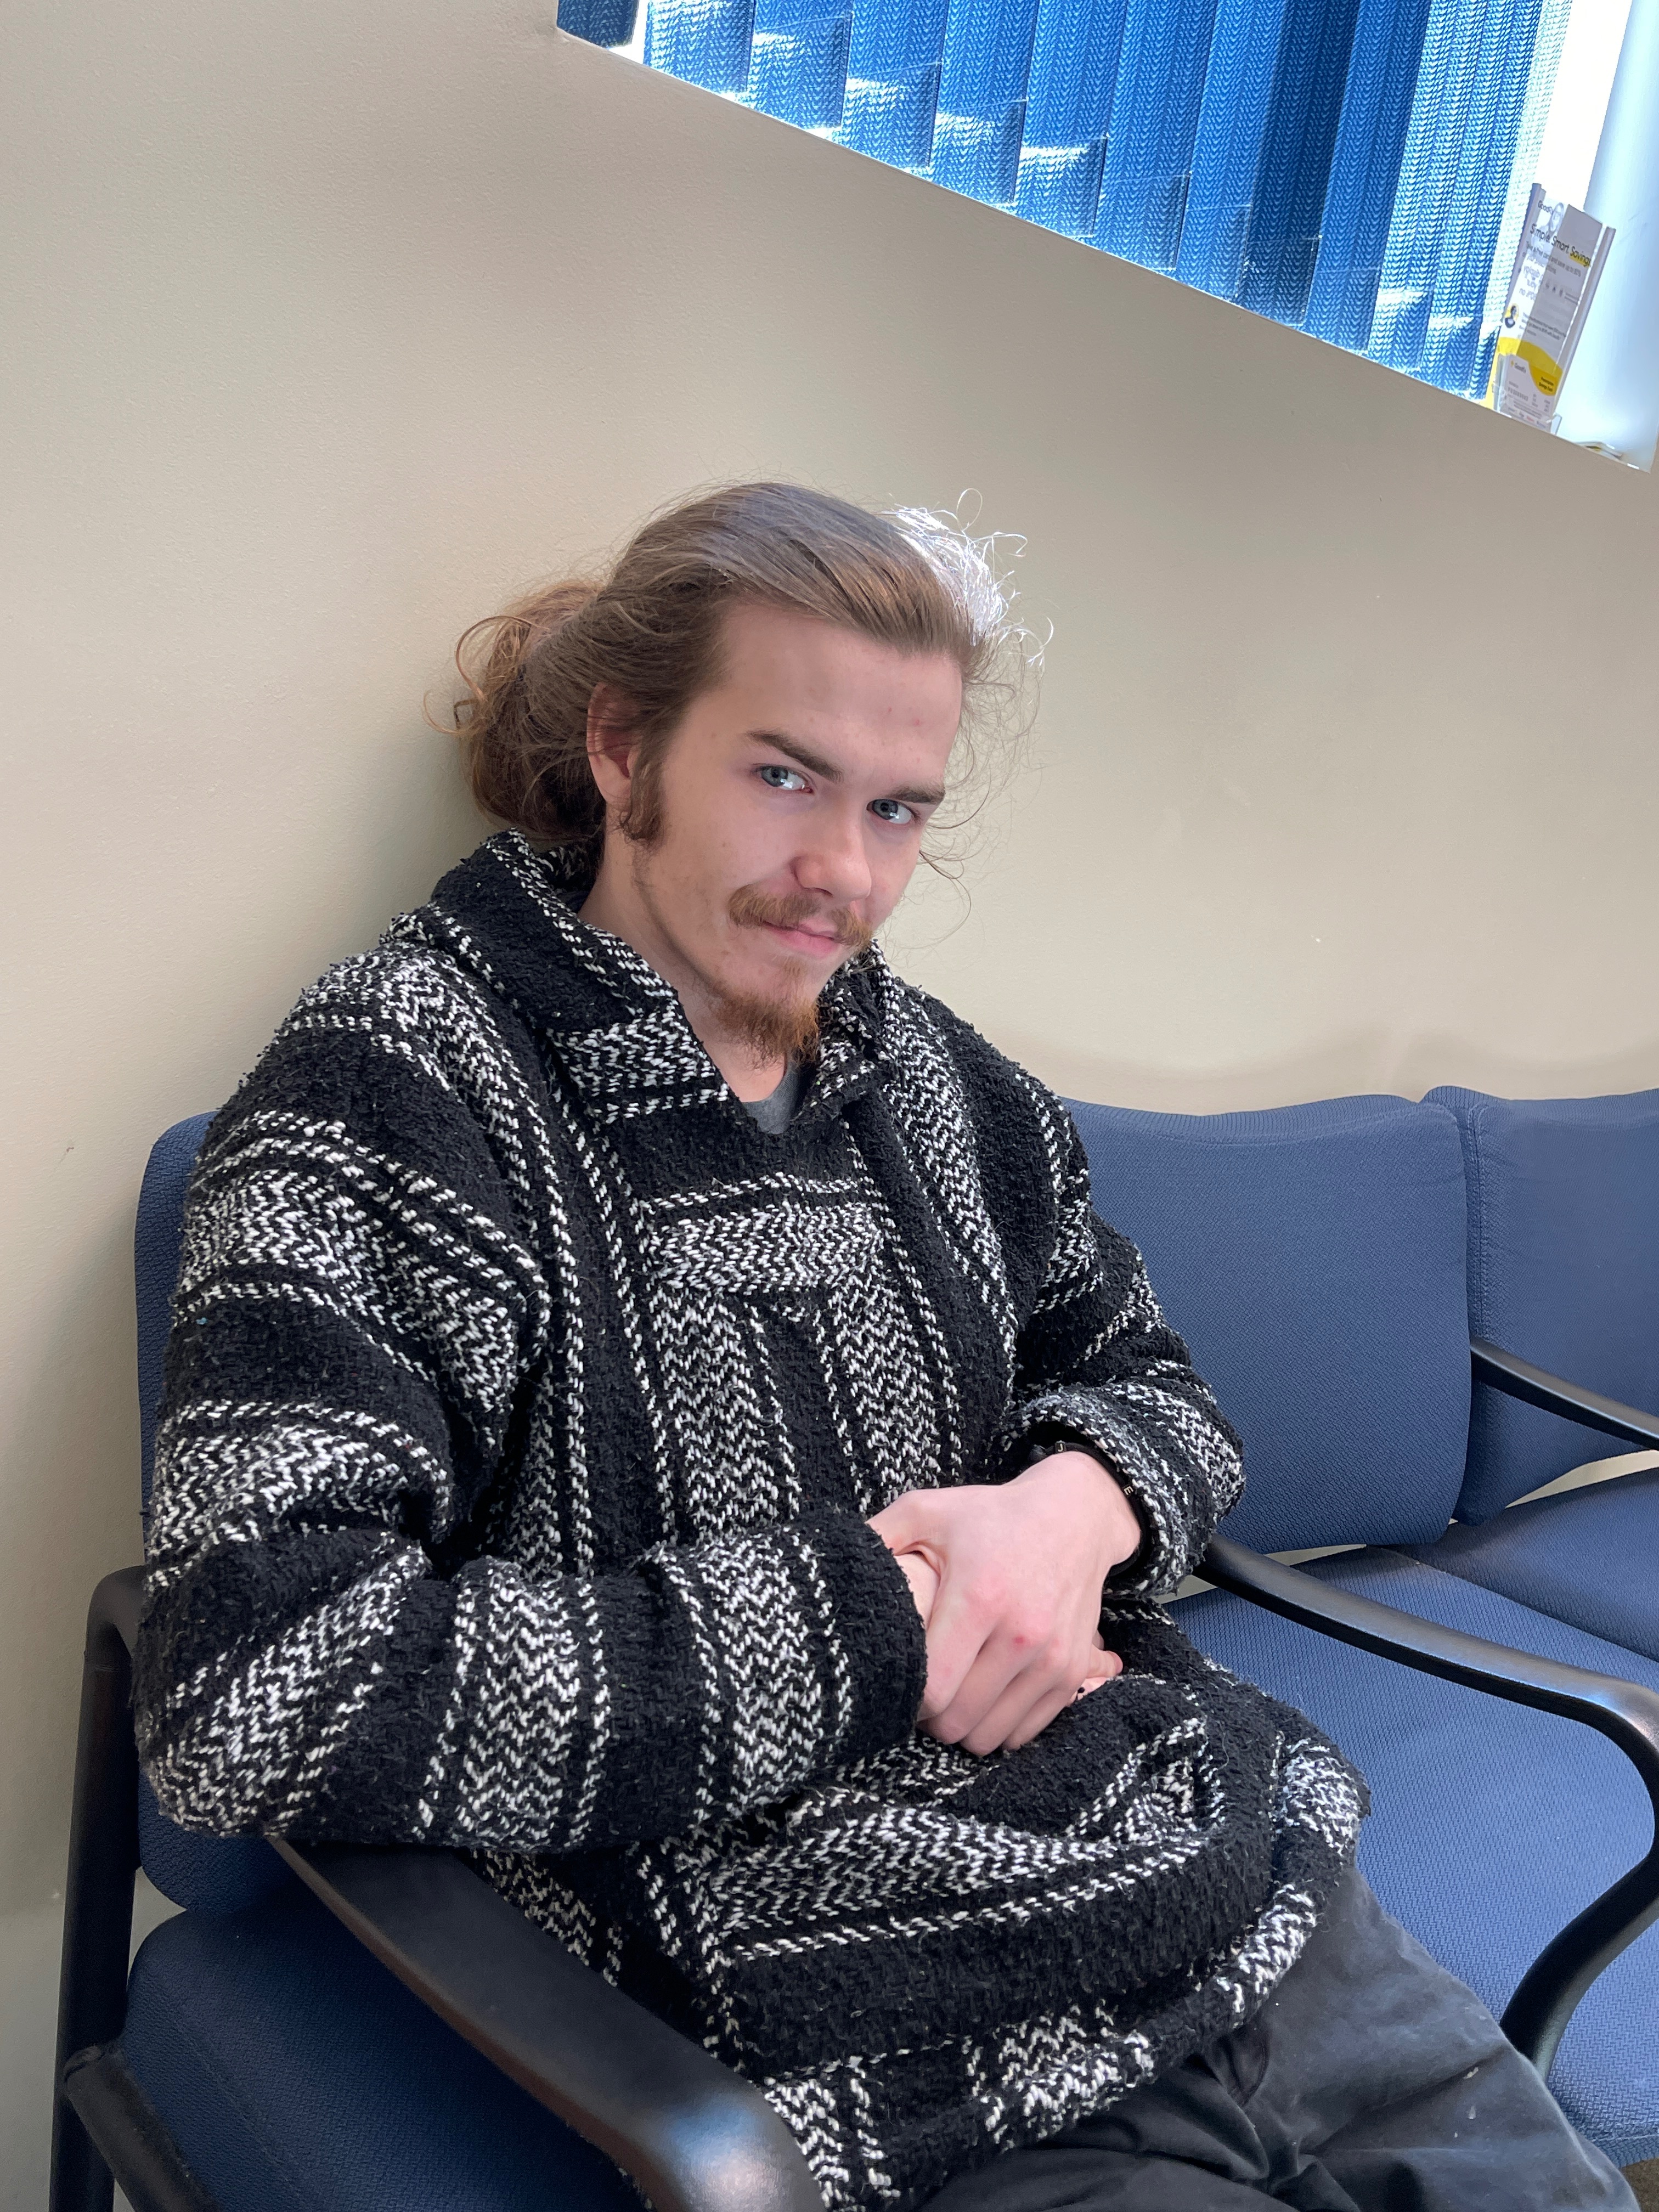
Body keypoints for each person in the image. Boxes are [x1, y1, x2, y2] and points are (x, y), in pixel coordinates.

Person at [133, 484, 1634, 2212]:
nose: (845, 872)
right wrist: (885, 1621)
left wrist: (1068, 1512)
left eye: (897, 808)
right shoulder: (400, 1088)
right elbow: (253, 1684)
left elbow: (1157, 1389)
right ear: (623, 748)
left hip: (1230, 1891)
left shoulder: (939, 1086)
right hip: (872, 2036)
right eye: (784, 776)